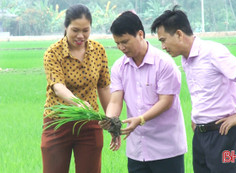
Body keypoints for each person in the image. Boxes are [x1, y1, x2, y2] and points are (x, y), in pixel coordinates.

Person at [151, 5, 236, 173]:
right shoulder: (187, 60)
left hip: (228, 136)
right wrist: (197, 117)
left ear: (179, 34)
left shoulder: (212, 52)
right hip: (201, 136)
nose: (163, 46)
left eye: (163, 40)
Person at [99, 11, 187, 173]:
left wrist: (140, 119)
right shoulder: (119, 67)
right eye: (117, 43)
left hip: (166, 149)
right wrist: (111, 121)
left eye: (125, 42)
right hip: (137, 150)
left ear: (140, 34)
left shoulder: (164, 63)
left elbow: (166, 101)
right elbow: (115, 100)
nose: (121, 47)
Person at [41, 4, 111, 173]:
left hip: (89, 123)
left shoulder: (98, 50)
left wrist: (111, 118)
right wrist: (78, 103)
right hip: (58, 122)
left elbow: (103, 87)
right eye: (75, 30)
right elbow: (57, 86)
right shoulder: (53, 53)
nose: (81, 35)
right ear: (66, 27)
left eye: (85, 30)